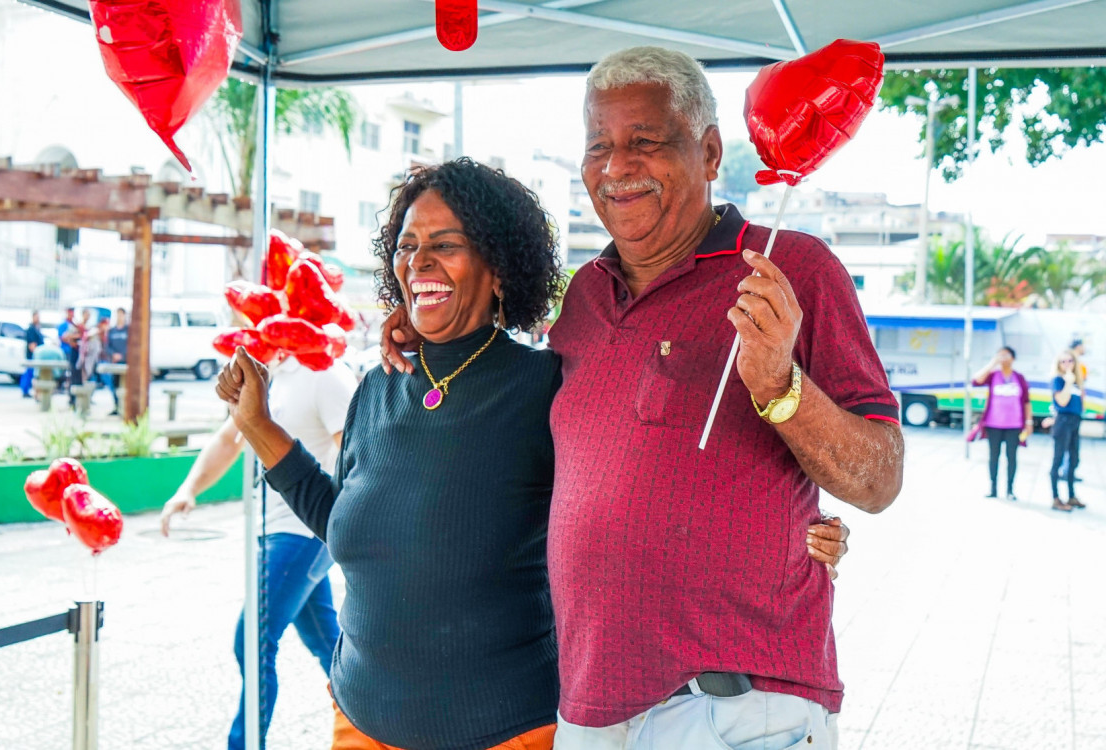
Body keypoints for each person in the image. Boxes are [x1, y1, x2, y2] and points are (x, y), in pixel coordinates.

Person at [229, 159, 849, 750]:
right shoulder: (376, 388)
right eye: (407, 245)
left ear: (498, 268)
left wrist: (792, 530)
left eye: (445, 244)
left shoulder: (546, 387)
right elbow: (344, 524)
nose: (419, 260)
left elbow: (651, 487)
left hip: (503, 733)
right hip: (358, 721)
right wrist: (255, 424)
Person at [399, 49, 902, 750]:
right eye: (598, 145)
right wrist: (425, 343)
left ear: (709, 150)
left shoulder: (791, 269)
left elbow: (878, 479)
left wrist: (781, 388)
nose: (616, 166)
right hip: (591, 706)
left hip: (730, 707)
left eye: (645, 141)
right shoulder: (584, 297)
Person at [161, 357, 355, 750]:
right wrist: (189, 489)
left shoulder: (325, 373)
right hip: (275, 528)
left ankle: (245, 743)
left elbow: (356, 452)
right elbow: (229, 438)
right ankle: (369, 721)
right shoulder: (269, 372)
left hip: (304, 532)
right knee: (329, 644)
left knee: (252, 639)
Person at [972, 346, 1032, 501]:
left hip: (1014, 425)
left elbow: (1026, 401)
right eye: (999, 355)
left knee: (1011, 457)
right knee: (994, 456)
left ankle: (1010, 490)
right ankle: (993, 488)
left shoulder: (1019, 377)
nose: (1002, 358)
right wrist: (992, 363)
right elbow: (976, 380)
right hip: (993, 424)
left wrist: (1028, 421)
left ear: (1013, 358)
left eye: (1005, 355)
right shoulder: (993, 375)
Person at [1050, 349, 1085, 511]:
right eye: (1063, 361)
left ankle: (1071, 495)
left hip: (1075, 422)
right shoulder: (1059, 380)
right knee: (1058, 460)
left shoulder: (1077, 381)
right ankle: (1056, 498)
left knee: (1073, 460)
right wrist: (1069, 382)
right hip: (1063, 422)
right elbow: (1062, 402)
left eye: (1070, 361)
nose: (1067, 364)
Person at [105, 308, 128, 415]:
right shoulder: (112, 331)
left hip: (126, 362)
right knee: (115, 385)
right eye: (118, 314)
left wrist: (123, 355)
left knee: (125, 386)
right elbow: (107, 346)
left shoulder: (128, 330)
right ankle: (117, 406)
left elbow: (132, 345)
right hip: (114, 363)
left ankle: (125, 407)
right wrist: (113, 354)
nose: (119, 317)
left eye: (121, 314)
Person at [20, 310, 44, 398]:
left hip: (37, 356)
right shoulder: (31, 329)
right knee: (29, 373)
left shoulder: (37, 328)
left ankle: (31, 391)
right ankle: (25, 390)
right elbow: (32, 345)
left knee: (33, 374)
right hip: (32, 356)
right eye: (36, 317)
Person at [56, 306, 78, 394]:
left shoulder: (74, 325)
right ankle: (60, 386)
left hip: (73, 351)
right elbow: (62, 337)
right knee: (63, 370)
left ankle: (69, 387)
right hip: (64, 351)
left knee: (72, 371)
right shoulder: (63, 325)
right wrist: (70, 338)